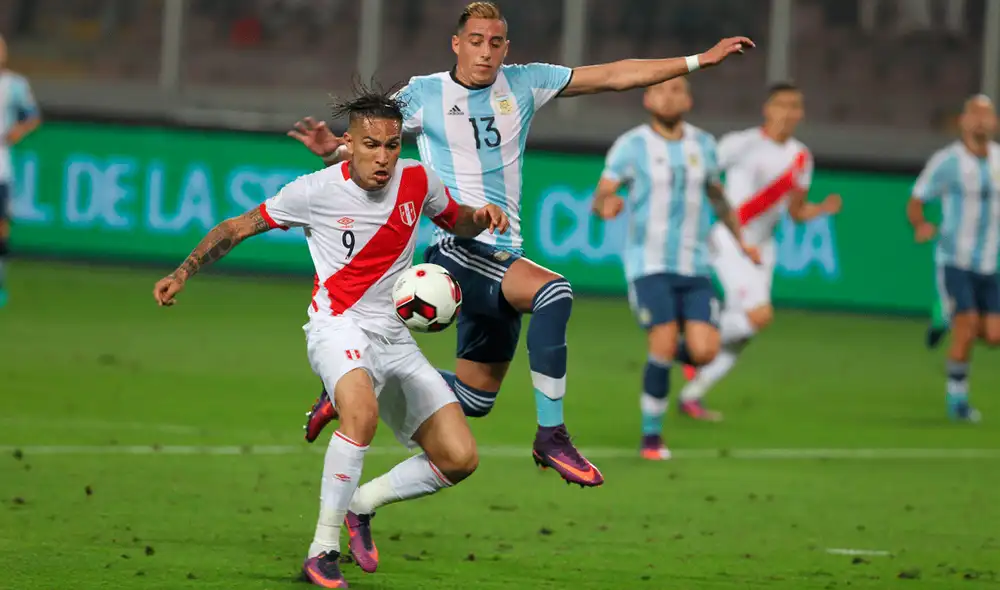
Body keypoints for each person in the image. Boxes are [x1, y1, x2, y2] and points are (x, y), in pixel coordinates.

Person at [289, 1, 753, 488]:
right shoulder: (424, 94)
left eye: (495, 43)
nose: (485, 52)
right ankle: (552, 436)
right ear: (456, 43)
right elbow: (371, 136)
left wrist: (701, 59)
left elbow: (617, 74)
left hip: (504, 252)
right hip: (458, 246)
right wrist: (336, 148)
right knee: (554, 293)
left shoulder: (527, 81)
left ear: (506, 47)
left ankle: (348, 389)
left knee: (473, 400)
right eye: (475, 41)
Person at [153, 87, 510, 588]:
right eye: (371, 145)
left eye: (391, 145)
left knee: (459, 458)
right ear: (350, 144)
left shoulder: (418, 179)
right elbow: (239, 226)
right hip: (337, 325)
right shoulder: (314, 191)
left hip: (394, 335)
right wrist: (184, 271)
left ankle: (360, 505)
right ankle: (321, 551)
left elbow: (455, 219)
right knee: (360, 416)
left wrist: (481, 216)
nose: (383, 157)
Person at [592, 78, 759, 459]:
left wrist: (742, 240)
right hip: (648, 265)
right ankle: (651, 438)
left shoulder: (703, 144)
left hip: (695, 266)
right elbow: (603, 193)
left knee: (704, 351)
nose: (670, 96)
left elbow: (717, 197)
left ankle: (666, 360)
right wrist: (607, 205)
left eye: (677, 90)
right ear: (648, 98)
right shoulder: (632, 145)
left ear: (689, 98)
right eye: (662, 90)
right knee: (664, 342)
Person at [679, 82, 842, 406]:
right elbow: (702, 178)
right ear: (767, 109)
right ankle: (687, 346)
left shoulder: (801, 157)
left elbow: (795, 212)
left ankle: (691, 394)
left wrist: (820, 210)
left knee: (745, 333)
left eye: (795, 106)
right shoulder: (741, 144)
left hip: (763, 248)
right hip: (730, 240)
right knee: (759, 316)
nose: (788, 112)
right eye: (781, 104)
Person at [907, 94, 999, 423]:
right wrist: (920, 225)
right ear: (963, 121)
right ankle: (957, 401)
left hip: (990, 264)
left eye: (987, 114)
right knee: (968, 325)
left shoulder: (999, 161)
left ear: (995, 123)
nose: (980, 120)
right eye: (974, 113)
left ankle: (942, 313)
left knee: (994, 335)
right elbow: (917, 198)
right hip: (954, 259)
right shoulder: (948, 161)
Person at [0, 35, 42, 308]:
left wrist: (17, 131)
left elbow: (33, 116)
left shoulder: (15, 85)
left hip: (1, 168)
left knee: (1, 228)